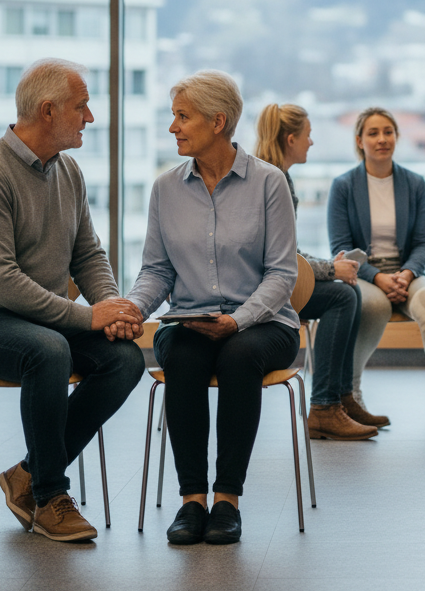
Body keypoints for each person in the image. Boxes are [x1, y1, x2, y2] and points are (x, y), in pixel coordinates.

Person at [0, 58, 145, 542]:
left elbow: (88, 254)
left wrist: (111, 309)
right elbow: (3, 282)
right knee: (48, 350)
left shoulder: (68, 171)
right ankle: (50, 495)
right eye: (82, 106)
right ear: (48, 111)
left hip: (42, 321)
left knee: (125, 360)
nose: (90, 117)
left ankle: (27, 476)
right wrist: (89, 316)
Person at [126, 71, 300, 545]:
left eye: (183, 117)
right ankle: (192, 501)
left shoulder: (268, 183)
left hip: (264, 322)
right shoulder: (165, 189)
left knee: (240, 355)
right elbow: (156, 271)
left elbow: (282, 274)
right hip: (189, 319)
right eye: (174, 116)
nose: (173, 127)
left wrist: (237, 321)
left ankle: (227, 501)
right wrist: (134, 308)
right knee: (182, 356)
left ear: (218, 122)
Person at [327, 107, 425, 434]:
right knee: (375, 305)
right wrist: (378, 277)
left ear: (397, 137)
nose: (382, 139)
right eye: (373, 133)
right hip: (364, 274)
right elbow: (340, 247)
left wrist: (406, 274)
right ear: (359, 141)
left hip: (407, 272)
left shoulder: (415, 183)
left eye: (388, 132)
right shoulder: (343, 186)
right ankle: (350, 395)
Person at [254, 102, 384, 440]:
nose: (311, 142)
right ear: (291, 139)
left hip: (269, 279)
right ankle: (325, 407)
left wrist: (331, 267)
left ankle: (341, 398)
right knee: (342, 296)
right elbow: (281, 257)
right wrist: (331, 269)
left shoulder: (272, 175)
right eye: (308, 135)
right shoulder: (275, 180)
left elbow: (288, 251)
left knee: (347, 290)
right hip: (262, 288)